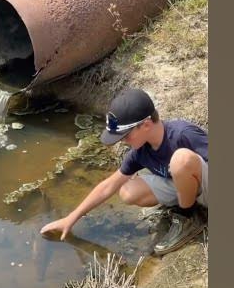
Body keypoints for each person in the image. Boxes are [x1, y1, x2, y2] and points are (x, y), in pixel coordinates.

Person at [40, 88, 208, 256]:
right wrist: (70, 219)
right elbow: (108, 186)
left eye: (126, 136)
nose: (123, 141)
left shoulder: (183, 134)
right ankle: (186, 205)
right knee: (128, 191)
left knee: (181, 159)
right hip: (191, 187)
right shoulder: (140, 151)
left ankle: (189, 218)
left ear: (146, 125)